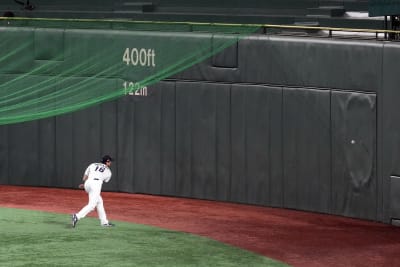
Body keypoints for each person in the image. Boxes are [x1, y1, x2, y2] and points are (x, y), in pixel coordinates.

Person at [72, 155, 115, 228]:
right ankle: (77, 216)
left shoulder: (92, 164)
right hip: (96, 184)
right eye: (110, 161)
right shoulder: (108, 171)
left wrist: (85, 184)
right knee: (92, 205)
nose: (111, 163)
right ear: (107, 162)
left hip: (87, 183)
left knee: (99, 201)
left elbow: (85, 177)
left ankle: (104, 222)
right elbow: (104, 180)